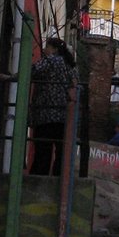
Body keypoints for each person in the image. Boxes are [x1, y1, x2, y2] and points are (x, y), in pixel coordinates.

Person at [29, 37, 75, 175]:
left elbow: (33, 71)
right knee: (60, 152)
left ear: (54, 49)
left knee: (43, 150)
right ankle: (57, 179)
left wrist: (12, 77)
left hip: (46, 114)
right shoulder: (69, 64)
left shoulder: (51, 60)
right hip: (63, 116)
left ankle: (38, 179)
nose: (44, 50)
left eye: (47, 47)